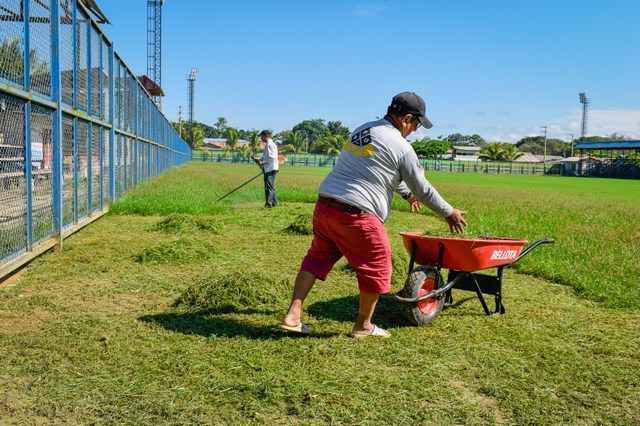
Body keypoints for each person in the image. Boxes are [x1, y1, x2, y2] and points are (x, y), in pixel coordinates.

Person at [278, 92, 467, 338]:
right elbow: (423, 189)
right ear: (407, 119)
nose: (414, 131)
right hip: (357, 215)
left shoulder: (363, 130)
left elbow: (376, 169)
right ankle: (364, 326)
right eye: (416, 125)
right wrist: (449, 212)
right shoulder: (402, 146)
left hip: (325, 206)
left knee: (316, 259)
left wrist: (405, 194)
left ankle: (293, 317)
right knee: (377, 267)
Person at [252, 130, 279, 208]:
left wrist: (262, 163)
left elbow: (272, 158)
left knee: (268, 187)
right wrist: (258, 159)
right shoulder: (268, 145)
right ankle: (274, 203)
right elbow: (266, 157)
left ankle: (268, 205)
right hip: (270, 168)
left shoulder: (270, 145)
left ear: (266, 136)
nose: (261, 138)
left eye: (261, 136)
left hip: (271, 169)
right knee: (271, 187)